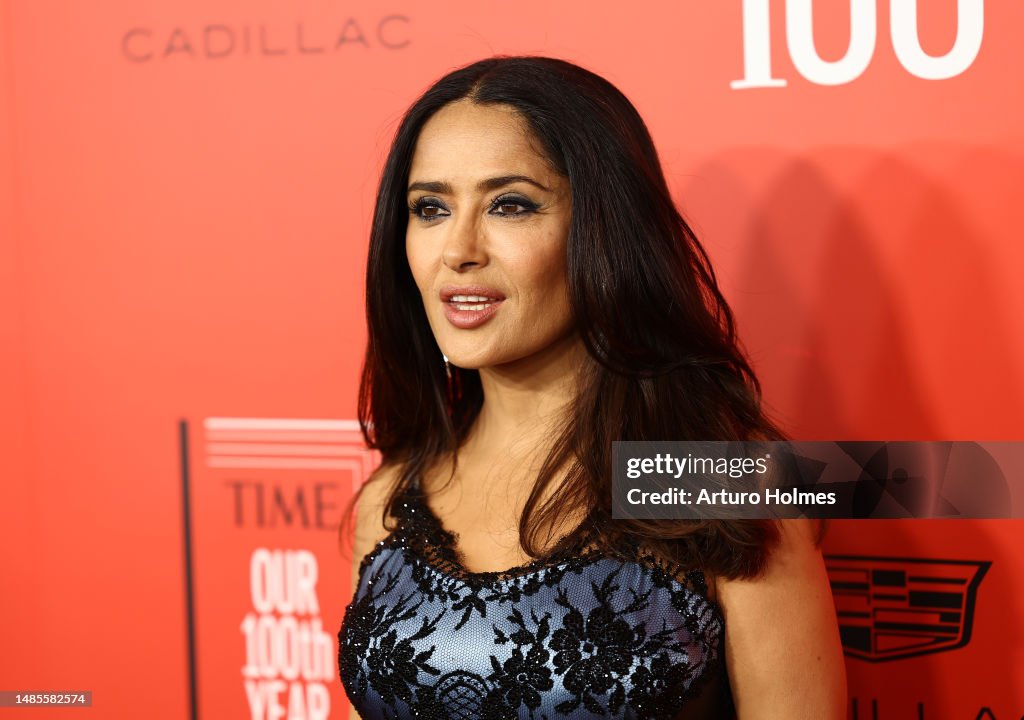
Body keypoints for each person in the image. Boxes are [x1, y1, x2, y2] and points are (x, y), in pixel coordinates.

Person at [337, 56, 846, 719]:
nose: (457, 248)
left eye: (510, 205)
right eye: (429, 208)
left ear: (603, 229)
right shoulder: (391, 501)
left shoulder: (716, 480)